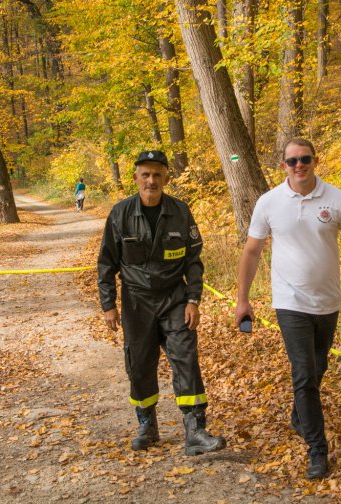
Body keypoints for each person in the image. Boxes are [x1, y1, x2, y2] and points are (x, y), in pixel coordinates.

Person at [234, 138, 341, 479]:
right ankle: (318, 449)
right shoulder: (269, 202)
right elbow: (252, 252)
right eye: (292, 161)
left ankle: (299, 416)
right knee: (303, 374)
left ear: (315, 161)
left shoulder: (336, 198)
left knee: (317, 370)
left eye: (305, 159)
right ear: (283, 165)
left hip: (328, 302)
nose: (298, 165)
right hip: (289, 303)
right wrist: (243, 300)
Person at [97, 150, 226, 455]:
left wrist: (193, 299)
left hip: (174, 299)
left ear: (166, 177)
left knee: (185, 359)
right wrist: (108, 305)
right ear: (136, 178)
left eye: (157, 174)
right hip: (136, 302)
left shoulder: (180, 211)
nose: (151, 180)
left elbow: (193, 261)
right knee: (139, 364)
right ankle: (147, 425)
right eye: (145, 174)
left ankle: (195, 430)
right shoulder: (120, 213)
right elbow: (106, 264)